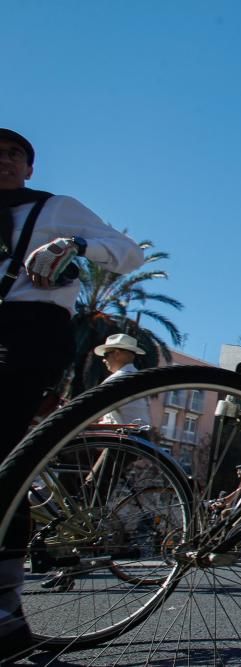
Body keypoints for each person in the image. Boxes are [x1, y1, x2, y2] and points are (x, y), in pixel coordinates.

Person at [0, 129, 143, 659]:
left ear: (30, 167)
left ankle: (6, 607)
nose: (5, 160)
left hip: (28, 331)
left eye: (15, 153)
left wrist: (77, 245)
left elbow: (127, 253)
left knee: (5, 457)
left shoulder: (55, 209)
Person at [94, 333, 151, 424]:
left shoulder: (115, 380)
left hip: (119, 436)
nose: (103, 360)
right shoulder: (142, 379)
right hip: (139, 435)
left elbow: (91, 412)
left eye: (106, 355)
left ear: (117, 354)